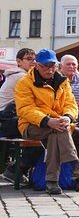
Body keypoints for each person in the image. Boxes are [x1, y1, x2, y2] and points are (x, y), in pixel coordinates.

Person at [14, 48, 79, 195]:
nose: (49, 69)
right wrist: (47, 120)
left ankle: (52, 183)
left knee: (56, 133)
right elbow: (25, 109)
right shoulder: (25, 83)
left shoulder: (62, 82)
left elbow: (71, 104)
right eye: (45, 66)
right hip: (31, 125)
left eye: (52, 66)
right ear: (37, 65)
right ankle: (74, 164)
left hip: (58, 124)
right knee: (59, 129)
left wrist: (68, 117)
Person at [0, 48, 39, 185]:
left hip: (9, 119)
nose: (33, 62)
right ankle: (16, 169)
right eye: (29, 59)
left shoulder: (18, 75)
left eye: (34, 59)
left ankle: (18, 168)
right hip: (7, 121)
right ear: (18, 61)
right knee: (41, 135)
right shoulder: (21, 77)